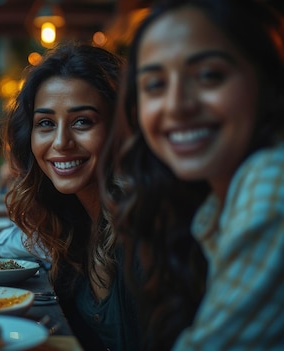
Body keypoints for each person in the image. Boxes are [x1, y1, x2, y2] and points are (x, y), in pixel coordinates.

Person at [101, 0, 284, 349]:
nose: (176, 105)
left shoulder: (271, 180)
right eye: (155, 84)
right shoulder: (212, 202)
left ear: (270, 83)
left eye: (209, 75)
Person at [0, 42, 140, 350]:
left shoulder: (141, 228)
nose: (61, 142)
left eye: (82, 121)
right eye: (46, 123)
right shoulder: (72, 224)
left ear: (120, 128)